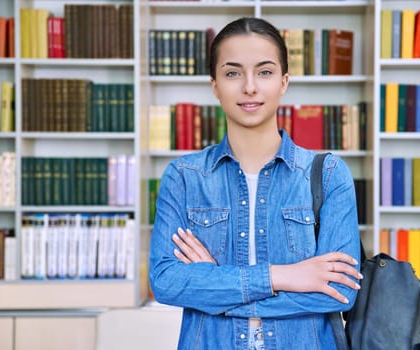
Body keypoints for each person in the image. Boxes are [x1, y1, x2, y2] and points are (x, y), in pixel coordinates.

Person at [149, 17, 362, 350]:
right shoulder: (184, 177)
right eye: (233, 73)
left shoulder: (330, 173)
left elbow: (339, 292)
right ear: (215, 84)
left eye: (264, 72)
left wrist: (212, 285)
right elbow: (166, 283)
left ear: (283, 81)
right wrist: (283, 275)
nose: (249, 87)